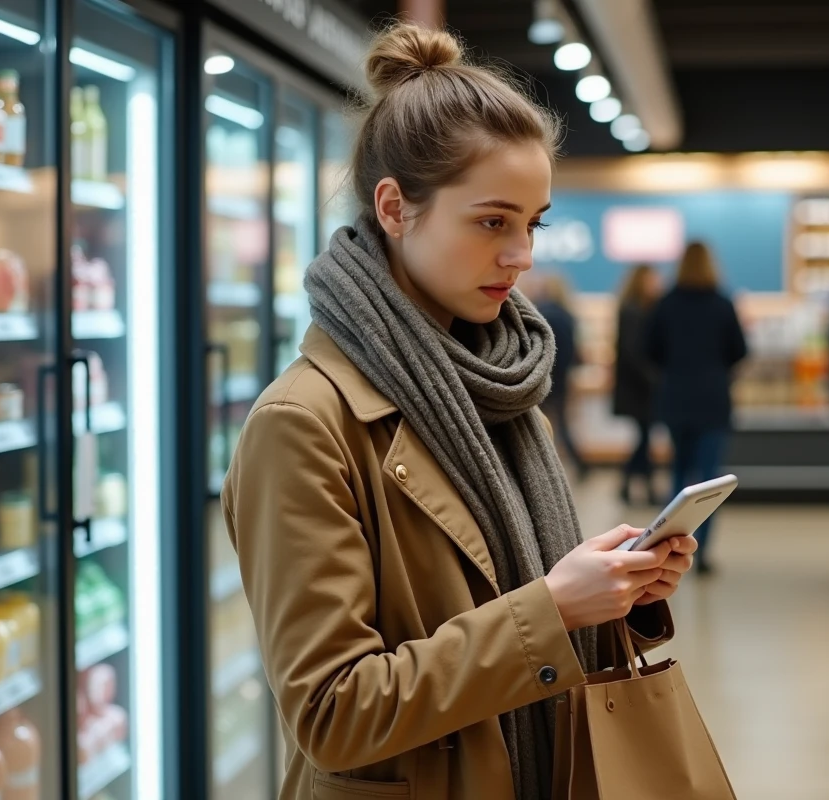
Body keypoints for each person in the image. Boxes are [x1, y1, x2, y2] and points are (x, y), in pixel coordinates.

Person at [220, 24, 698, 800]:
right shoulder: (305, 425)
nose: (523, 255)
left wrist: (614, 598)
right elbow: (334, 712)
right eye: (492, 222)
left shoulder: (508, 398)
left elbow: (518, 621)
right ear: (395, 208)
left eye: (532, 222)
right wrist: (551, 608)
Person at [647, 242, 747, 574]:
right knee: (709, 480)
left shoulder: (666, 304)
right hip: (713, 399)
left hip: (677, 397)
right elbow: (740, 350)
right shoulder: (722, 303)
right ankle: (701, 552)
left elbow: (650, 349)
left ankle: (669, 549)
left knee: (678, 475)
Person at [613, 264, 662, 505]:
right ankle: (643, 485)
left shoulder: (637, 309)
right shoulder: (634, 311)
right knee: (644, 437)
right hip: (638, 390)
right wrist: (654, 378)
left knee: (644, 437)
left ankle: (631, 484)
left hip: (637, 388)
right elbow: (633, 353)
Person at [534, 274, 587, 479]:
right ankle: (579, 464)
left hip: (543, 377)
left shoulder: (542, 314)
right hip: (561, 378)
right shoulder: (568, 316)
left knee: (539, 425)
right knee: (562, 425)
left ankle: (546, 468)